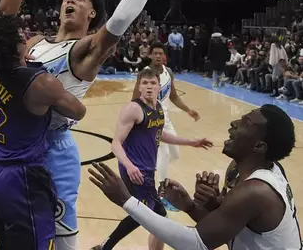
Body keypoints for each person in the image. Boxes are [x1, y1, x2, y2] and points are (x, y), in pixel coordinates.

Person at [0, 0, 189, 249]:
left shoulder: (85, 52)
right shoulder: (35, 41)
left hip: (51, 152)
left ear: (92, 16)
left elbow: (121, 20)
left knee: (62, 242)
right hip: (14, 150)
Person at [88, 104, 301, 250]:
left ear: (259, 146)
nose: (233, 123)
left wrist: (126, 200)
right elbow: (225, 230)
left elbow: (196, 244)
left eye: (245, 123)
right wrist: (191, 205)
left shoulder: (256, 191)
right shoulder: (242, 169)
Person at [0, 14, 87, 250]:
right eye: (21, 37)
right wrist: (43, 69)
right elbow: (78, 111)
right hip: (20, 181)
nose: (26, 38)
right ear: (16, 47)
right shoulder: (40, 82)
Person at [92, 68, 212, 250]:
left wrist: (190, 142)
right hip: (135, 170)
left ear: (159, 87)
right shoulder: (133, 109)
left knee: (153, 216)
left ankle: (105, 247)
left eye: (153, 83)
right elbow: (116, 143)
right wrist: (130, 166)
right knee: (148, 215)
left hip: (147, 169)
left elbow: (159, 134)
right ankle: (105, 246)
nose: (149, 87)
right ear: (139, 87)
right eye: (145, 83)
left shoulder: (158, 109)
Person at [137, 42, 200, 196]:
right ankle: (161, 190)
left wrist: (188, 110)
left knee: (175, 154)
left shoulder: (169, 72)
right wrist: (139, 119)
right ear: (150, 55)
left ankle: (153, 169)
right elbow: (135, 98)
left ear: (164, 56)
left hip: (166, 119)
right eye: (155, 53)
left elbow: (173, 96)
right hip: (152, 119)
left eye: (161, 53)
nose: (158, 56)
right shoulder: (145, 74)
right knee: (164, 153)